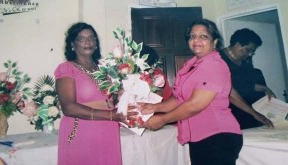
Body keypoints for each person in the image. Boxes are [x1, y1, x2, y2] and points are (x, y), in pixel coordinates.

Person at [140, 19, 243, 165]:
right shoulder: (192, 64)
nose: (196, 40)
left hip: (218, 135)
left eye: (203, 36)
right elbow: (180, 98)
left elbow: (195, 104)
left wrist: (162, 119)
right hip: (201, 136)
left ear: (215, 42)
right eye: (192, 36)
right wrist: (156, 107)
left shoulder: (214, 65)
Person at [55, 22, 134, 165]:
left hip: (108, 128)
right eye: (82, 38)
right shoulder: (66, 68)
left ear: (96, 43)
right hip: (82, 130)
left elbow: (110, 99)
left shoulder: (105, 68)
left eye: (92, 37)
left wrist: (123, 96)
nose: (88, 41)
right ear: (72, 44)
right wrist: (111, 115)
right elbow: (68, 107)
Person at [220, 28, 275, 129]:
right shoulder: (219, 59)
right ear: (237, 44)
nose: (250, 54)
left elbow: (246, 84)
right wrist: (254, 113)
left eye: (252, 52)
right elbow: (230, 91)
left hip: (248, 108)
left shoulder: (246, 61)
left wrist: (265, 89)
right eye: (248, 50)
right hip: (231, 110)